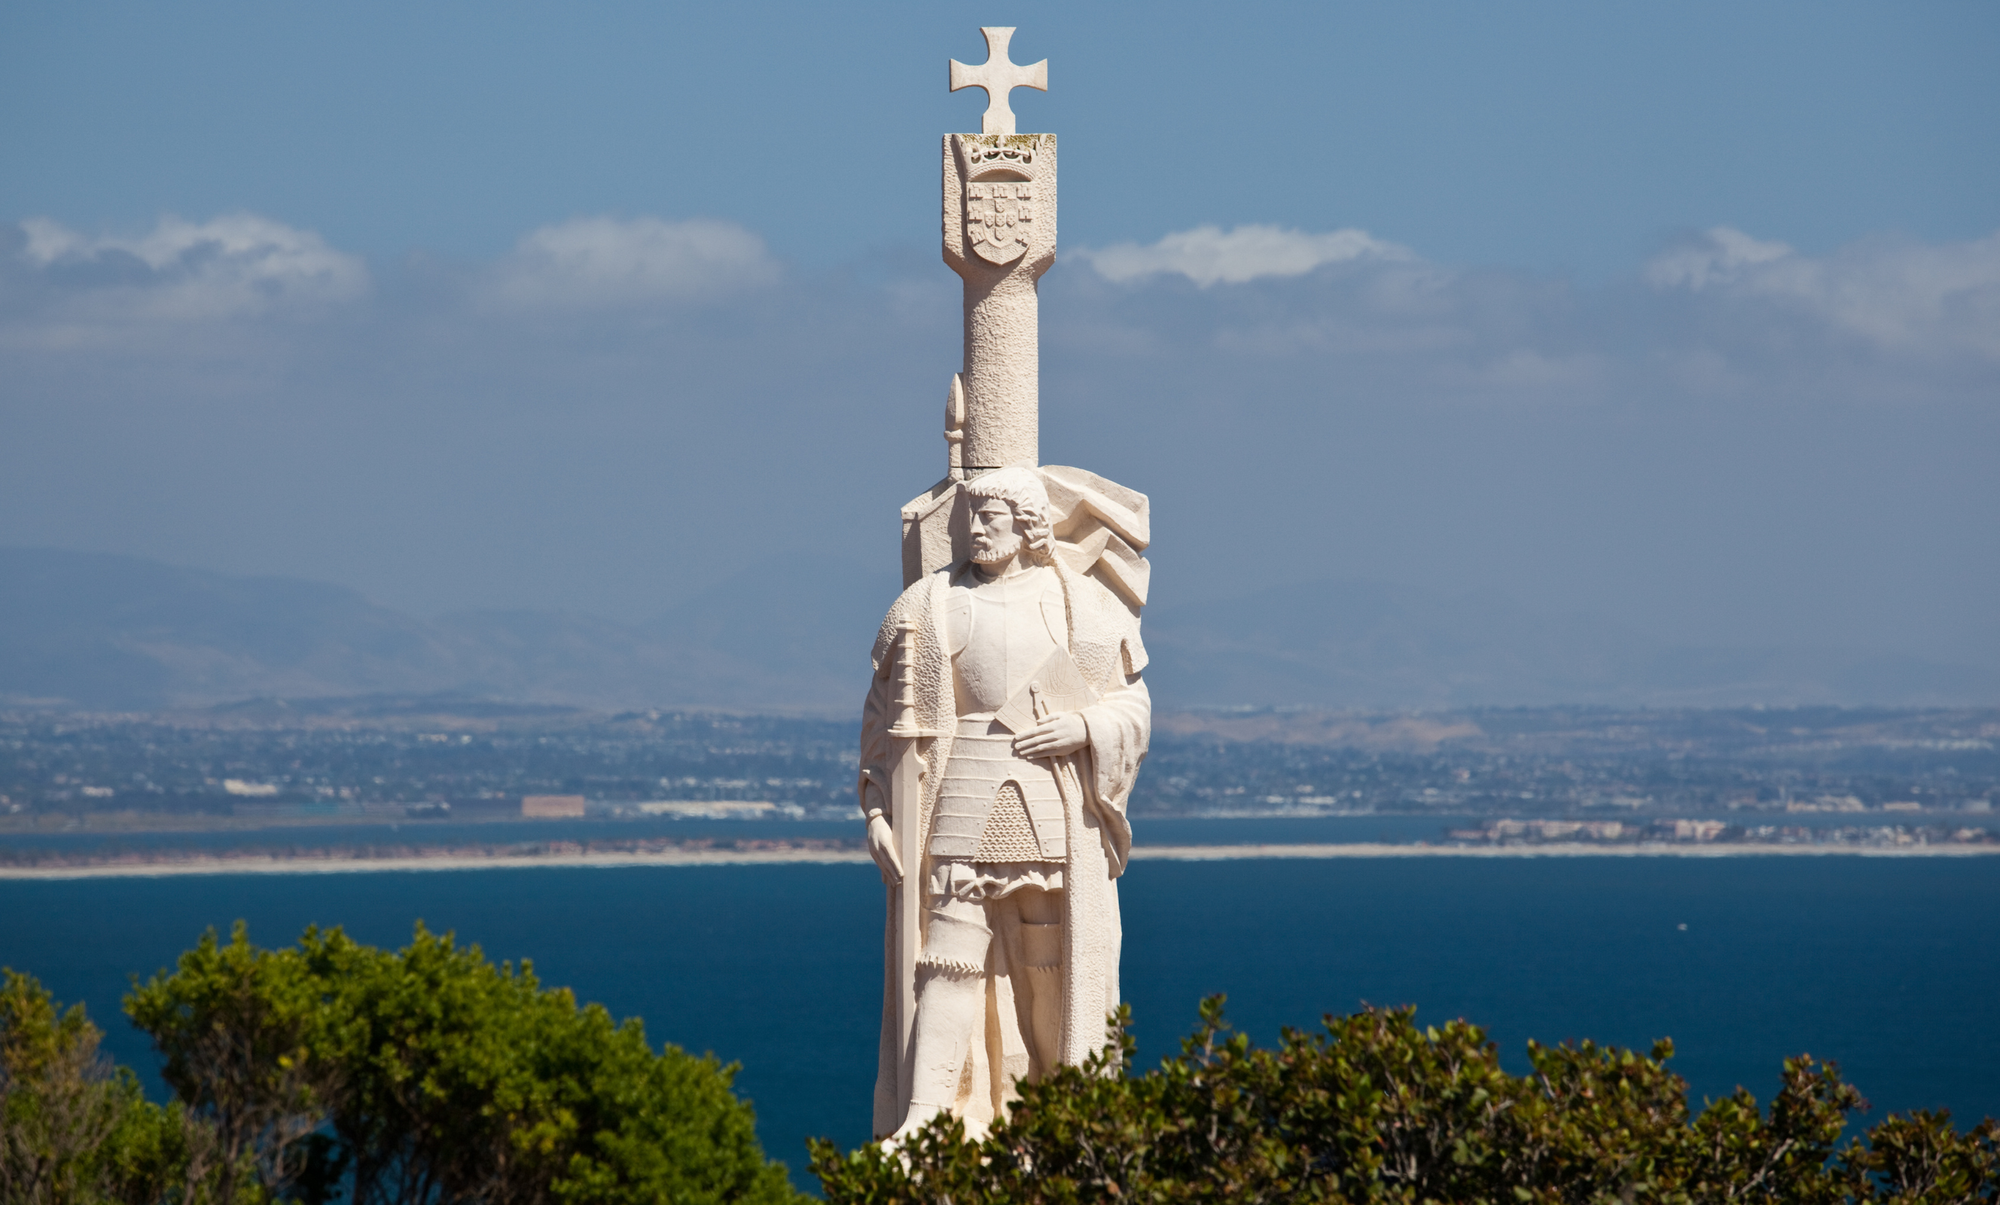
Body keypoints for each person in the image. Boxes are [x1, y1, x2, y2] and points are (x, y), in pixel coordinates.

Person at [859, 466, 1150, 1139]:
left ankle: (1059, 1110)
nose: (976, 530)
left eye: (990, 517)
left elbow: (1131, 703)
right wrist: (877, 808)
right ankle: (927, 1117)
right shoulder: (929, 605)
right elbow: (884, 715)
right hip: (959, 788)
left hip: (1050, 797)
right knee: (947, 955)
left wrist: (1086, 727)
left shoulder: (1079, 605)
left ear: (1027, 524)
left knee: (1049, 962)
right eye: (970, 516)